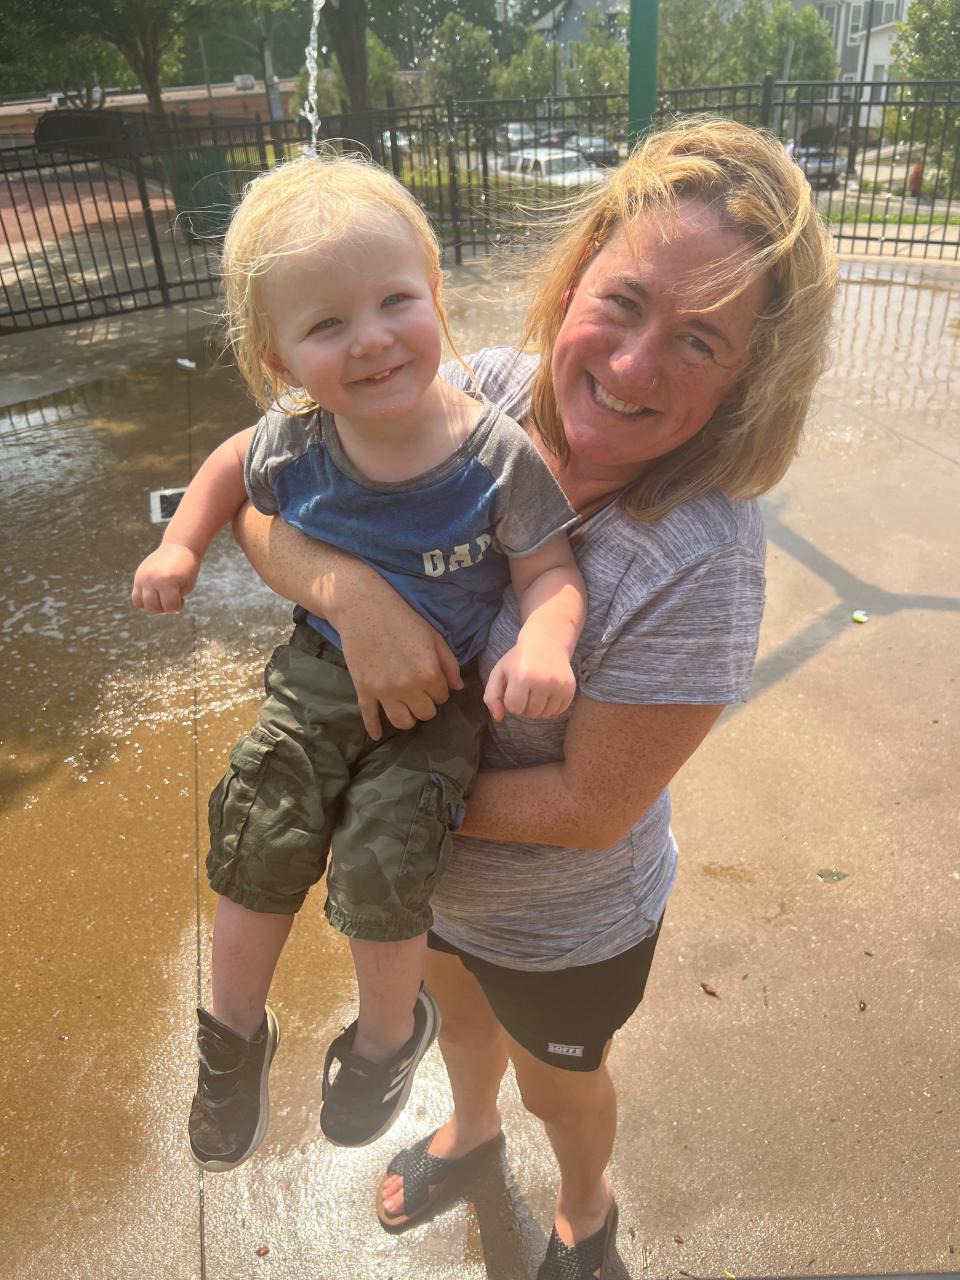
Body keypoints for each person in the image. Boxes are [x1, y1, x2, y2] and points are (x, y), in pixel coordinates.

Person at [234, 118, 837, 1278]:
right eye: (622, 302)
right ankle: (467, 1131)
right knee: (457, 1023)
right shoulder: (477, 394)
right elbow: (256, 505)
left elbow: (587, 805)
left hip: (565, 924)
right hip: (429, 892)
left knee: (564, 1080)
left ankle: (586, 1209)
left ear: (751, 380)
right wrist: (352, 594)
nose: (629, 364)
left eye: (700, 339)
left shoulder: (698, 555)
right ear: (576, 278)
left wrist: (374, 806)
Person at [130, 155, 587, 1168]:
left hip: (437, 705)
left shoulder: (496, 454)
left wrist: (548, 638)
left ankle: (387, 1037)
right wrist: (180, 544)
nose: (373, 337)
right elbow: (225, 471)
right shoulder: (302, 439)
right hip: (316, 675)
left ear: (434, 289)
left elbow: (549, 566)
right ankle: (231, 1041)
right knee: (259, 825)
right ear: (280, 356)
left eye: (394, 300)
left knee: (385, 853)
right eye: (327, 323)